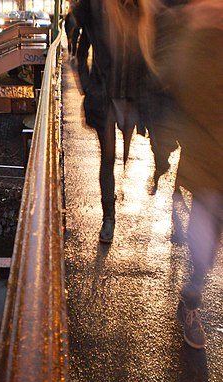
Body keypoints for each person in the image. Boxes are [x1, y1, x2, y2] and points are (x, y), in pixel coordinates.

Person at [138, 0, 223, 349]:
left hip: (207, 160)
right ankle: (190, 302)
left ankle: (190, 301)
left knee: (208, 237)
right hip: (208, 163)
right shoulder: (188, 42)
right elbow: (164, 86)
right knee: (206, 241)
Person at [73, 0, 144, 243]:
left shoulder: (138, 9)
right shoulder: (96, 9)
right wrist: (87, 86)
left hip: (130, 96)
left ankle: (113, 206)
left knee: (123, 154)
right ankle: (108, 218)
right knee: (108, 158)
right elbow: (80, 52)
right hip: (104, 97)